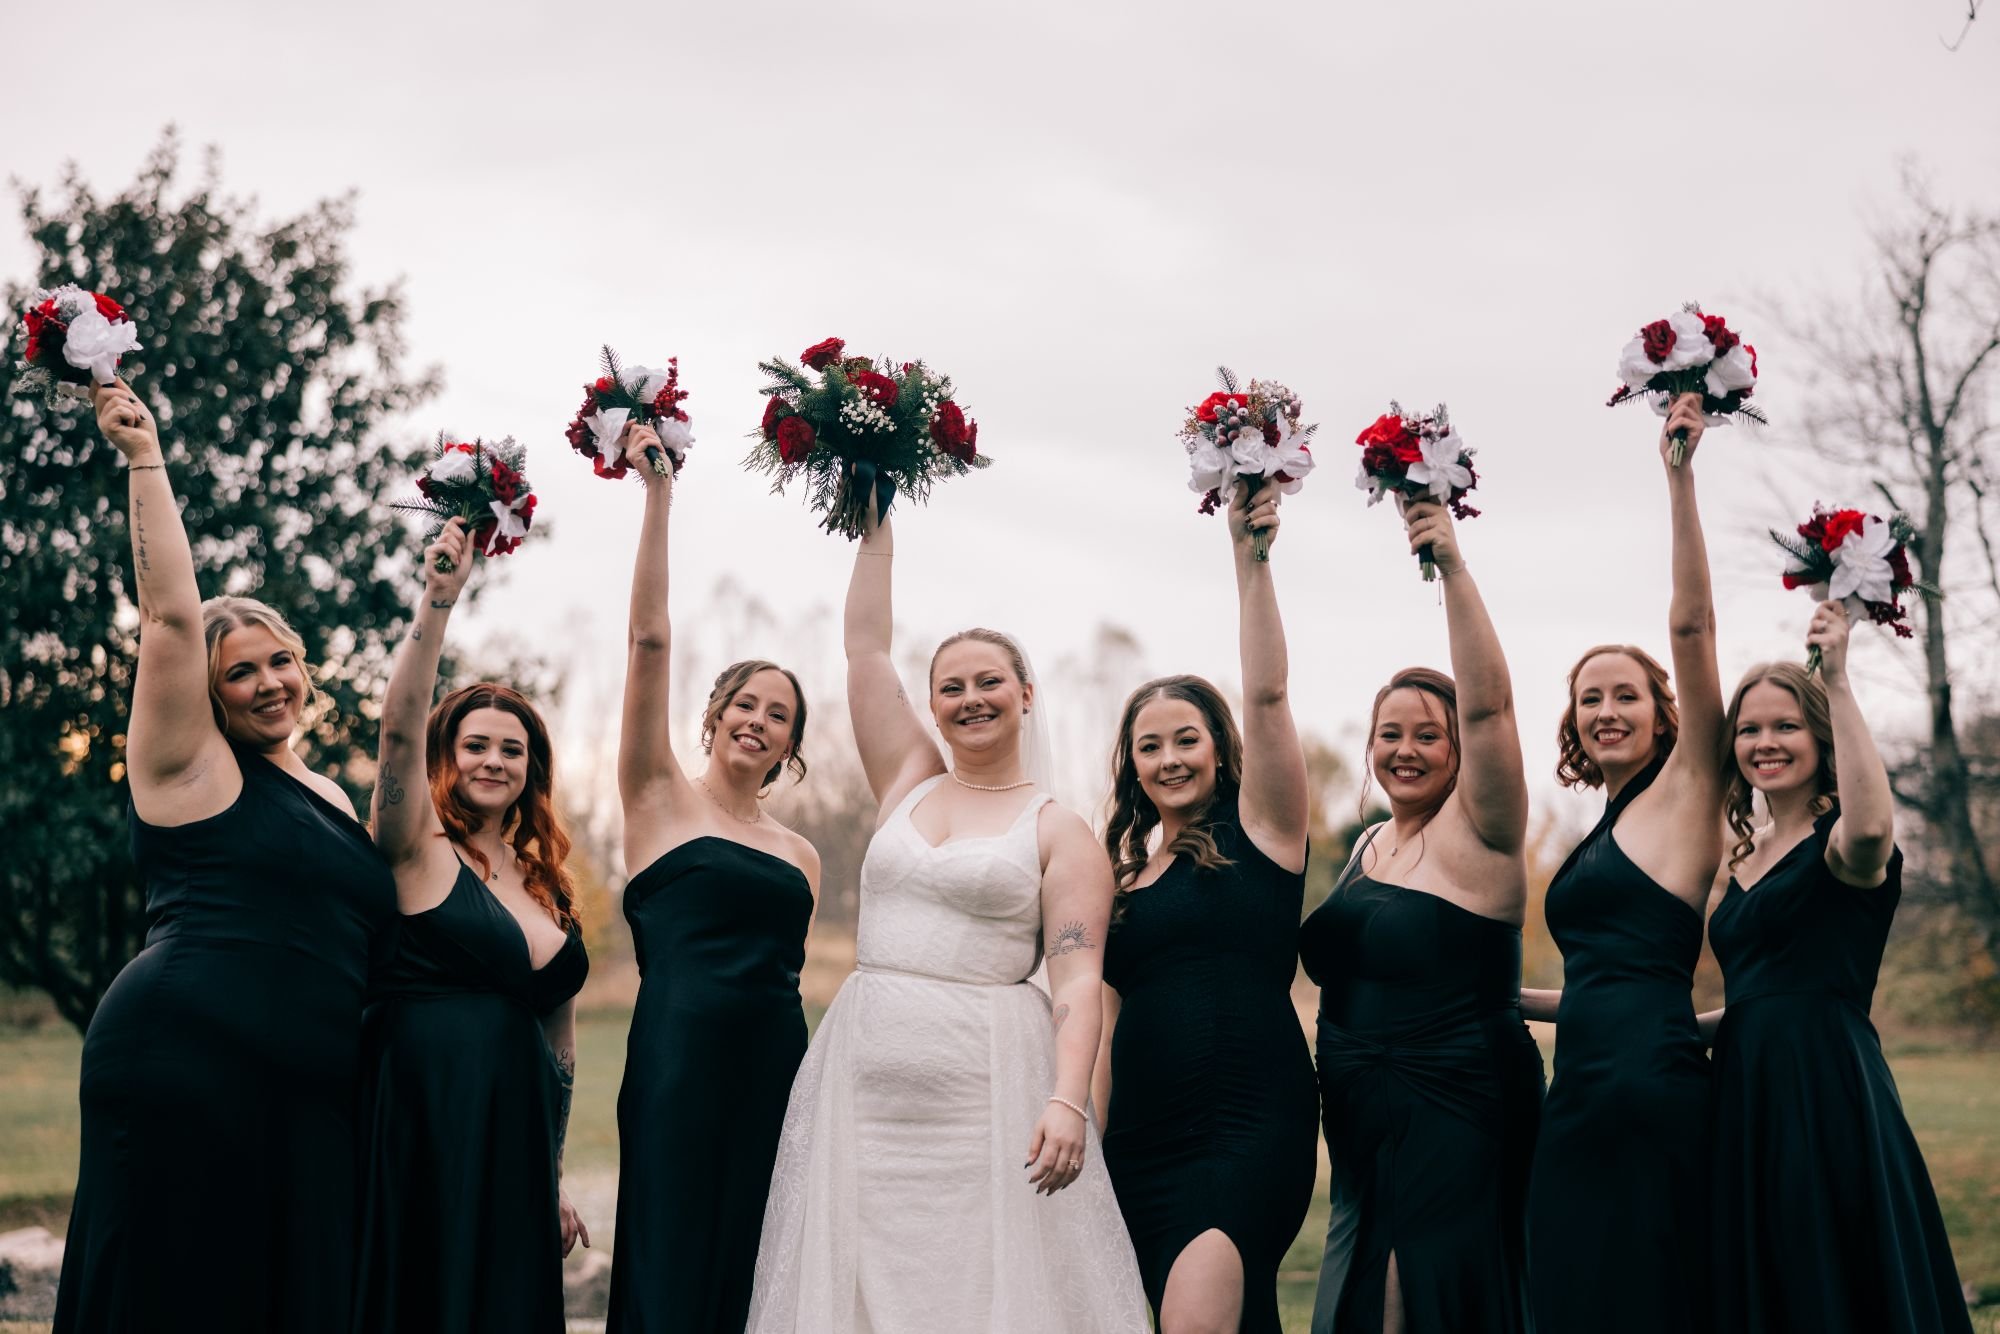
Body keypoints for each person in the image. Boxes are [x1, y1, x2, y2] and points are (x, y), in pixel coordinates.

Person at [747, 491, 1148, 1333]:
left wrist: (1067, 1100)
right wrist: (874, 524)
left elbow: (1078, 981)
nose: (971, 699)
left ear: (1026, 693)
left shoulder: (1060, 831)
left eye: (989, 682)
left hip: (985, 1101)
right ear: (931, 706)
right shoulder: (909, 780)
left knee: (973, 1291)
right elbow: (865, 649)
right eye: (950, 687)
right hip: (863, 1089)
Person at [54, 379, 397, 1334]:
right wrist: (144, 458)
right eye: (237, 672)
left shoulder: (331, 795)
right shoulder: (189, 770)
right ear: (206, 696)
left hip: (308, 1101)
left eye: (279, 660)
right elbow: (170, 617)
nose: (267, 683)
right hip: (185, 1065)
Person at [1300, 499, 1544, 1333]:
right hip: (1357, 1107)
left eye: (1428, 736)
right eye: (1389, 734)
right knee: (1361, 1270)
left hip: (1456, 1095)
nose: (1404, 750)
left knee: (1424, 1279)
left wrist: (1451, 565)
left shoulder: (1483, 834)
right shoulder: (1371, 842)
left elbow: (1491, 707)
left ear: (1459, 750)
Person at [606, 425, 822, 1334]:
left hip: (776, 1067)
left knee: (758, 1263)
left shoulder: (801, 856)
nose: (758, 721)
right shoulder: (657, 797)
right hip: (678, 1058)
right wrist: (659, 496)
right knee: (671, 1250)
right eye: (745, 703)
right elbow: (649, 642)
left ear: (790, 745)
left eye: (779, 715)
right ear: (714, 715)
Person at [1520, 393, 1725, 1334]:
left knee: (1649, 1297)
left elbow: (1693, 630)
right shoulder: (1601, 828)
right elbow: (1603, 984)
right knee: (1570, 1294)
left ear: (1660, 710)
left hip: (1652, 1087)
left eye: (1626, 696)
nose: (1606, 711)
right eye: (1590, 698)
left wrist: (1678, 478)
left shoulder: (1687, 789)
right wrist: (1505, 1000)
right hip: (1580, 1088)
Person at [1707, 612, 1974, 1334]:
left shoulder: (1840, 844)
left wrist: (1839, 680)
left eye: (1786, 726)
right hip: (1746, 1090)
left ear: (1820, 737)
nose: (1765, 742)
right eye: (1749, 729)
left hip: (1824, 1085)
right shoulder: (1744, 855)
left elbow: (1872, 828)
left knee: (1829, 1267)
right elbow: (1758, 1000)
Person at [354, 518, 590, 1333]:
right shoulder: (413, 847)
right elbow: (397, 727)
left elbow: (560, 1050)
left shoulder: (547, 883)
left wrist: (551, 1172)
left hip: (514, 1135)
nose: (494, 760)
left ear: (532, 769)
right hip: (423, 1115)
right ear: (446, 755)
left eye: (512, 750)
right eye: (476, 744)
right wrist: (438, 600)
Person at [1092, 484, 1317, 1333]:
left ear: (1221, 748)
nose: (1170, 759)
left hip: (1244, 1126)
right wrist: (1088, 1143)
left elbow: (1269, 695)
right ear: (1132, 767)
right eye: (1149, 746)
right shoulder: (1122, 880)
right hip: (1138, 1142)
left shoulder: (1264, 832)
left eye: (1186, 739)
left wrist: (1249, 559)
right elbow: (1105, 1027)